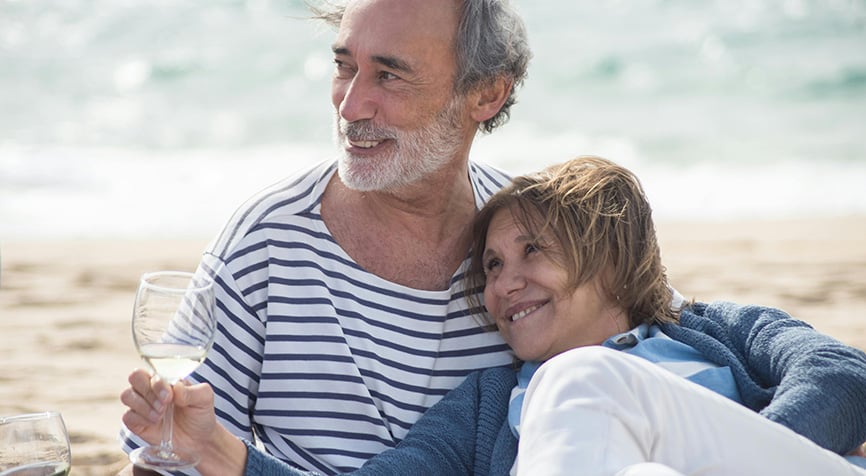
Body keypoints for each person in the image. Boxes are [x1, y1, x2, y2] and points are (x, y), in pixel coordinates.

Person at [122, 156, 866, 475]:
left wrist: (750, 452)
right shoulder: (486, 406)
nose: (505, 284)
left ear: (606, 256)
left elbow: (841, 371)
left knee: (579, 383)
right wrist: (226, 456)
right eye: (492, 267)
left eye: (532, 252)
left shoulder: (714, 328)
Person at [118, 0, 531, 474]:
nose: (350, 105)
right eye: (344, 67)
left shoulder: (532, 238)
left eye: (389, 76)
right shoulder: (268, 241)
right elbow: (162, 459)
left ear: (486, 94)